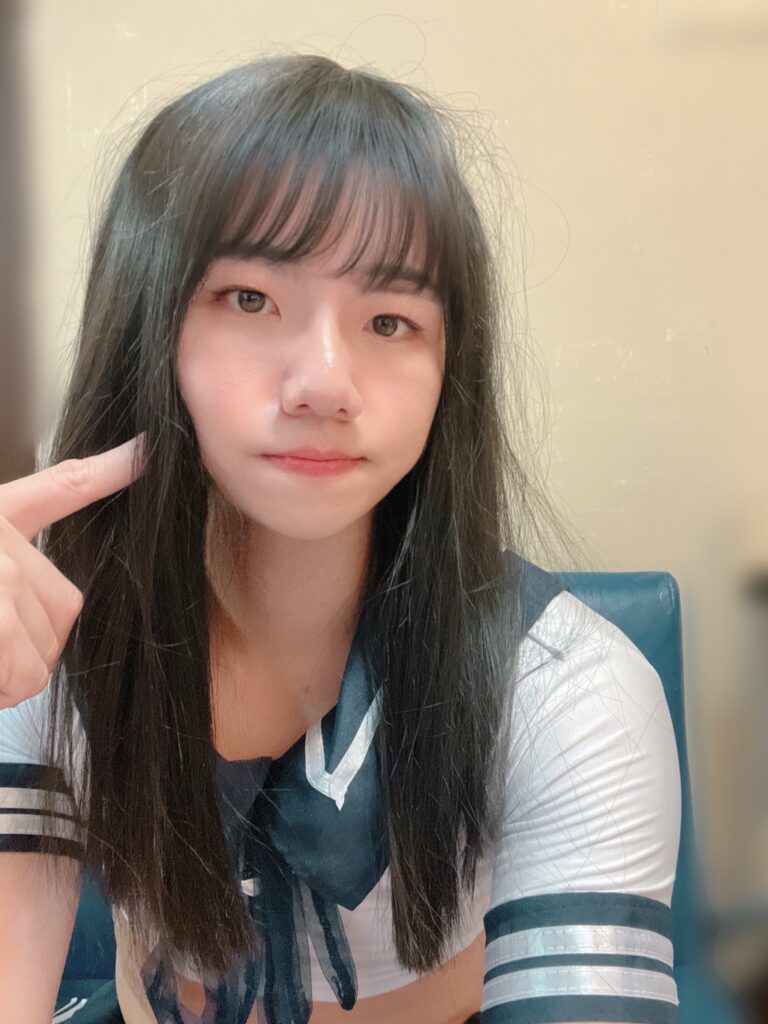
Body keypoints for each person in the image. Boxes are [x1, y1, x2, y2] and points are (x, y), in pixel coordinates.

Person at [0, 54, 682, 1024]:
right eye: (249, 299)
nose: (325, 382)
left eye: (390, 319)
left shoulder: (567, 690)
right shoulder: (47, 635)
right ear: (148, 324)